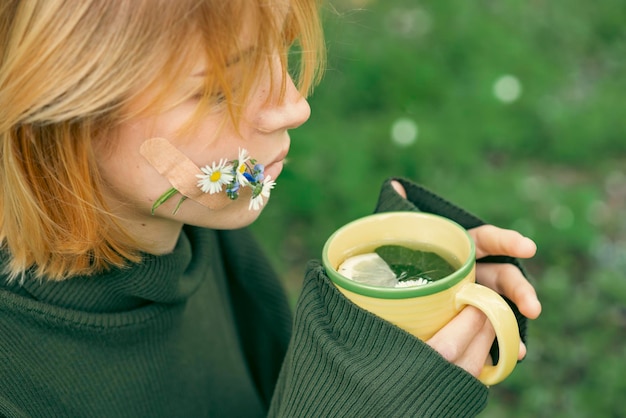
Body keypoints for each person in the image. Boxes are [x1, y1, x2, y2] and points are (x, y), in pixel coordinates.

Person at [0, 1, 541, 417]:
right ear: (56, 111)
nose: (293, 105)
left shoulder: (194, 225)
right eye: (222, 86)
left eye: (284, 49)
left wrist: (399, 298)